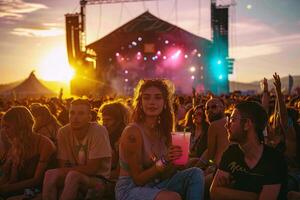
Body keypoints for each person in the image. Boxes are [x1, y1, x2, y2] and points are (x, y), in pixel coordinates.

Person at [115, 79, 204, 200]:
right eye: (146, 98)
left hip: (157, 183)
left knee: (196, 173)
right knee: (173, 197)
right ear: (140, 102)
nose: (152, 102)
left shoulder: (163, 130)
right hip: (130, 188)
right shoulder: (133, 132)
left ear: (165, 103)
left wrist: (177, 160)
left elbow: (166, 173)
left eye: (157, 98)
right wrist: (165, 160)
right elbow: (138, 180)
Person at [210, 101, 287, 200]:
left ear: (247, 124)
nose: (226, 125)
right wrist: (253, 196)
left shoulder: (274, 160)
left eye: (232, 120)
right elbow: (214, 192)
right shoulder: (231, 153)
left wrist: (228, 192)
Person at [42, 99, 112, 200]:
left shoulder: (98, 131)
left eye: (81, 113)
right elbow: (62, 164)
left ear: (89, 117)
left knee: (73, 176)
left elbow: (92, 168)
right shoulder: (63, 132)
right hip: (73, 175)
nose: (75, 117)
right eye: (72, 113)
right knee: (50, 174)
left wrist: (68, 171)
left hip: (99, 181)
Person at [0, 106, 56, 199]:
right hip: (20, 189)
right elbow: (11, 178)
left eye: (7, 127)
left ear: (20, 126)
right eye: (3, 127)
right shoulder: (16, 145)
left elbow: (37, 180)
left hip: (41, 190)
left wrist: (6, 189)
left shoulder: (44, 144)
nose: (4, 131)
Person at [98, 100, 131, 180]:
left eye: (108, 120)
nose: (104, 124)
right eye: (103, 120)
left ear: (119, 121)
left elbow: (119, 173)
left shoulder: (124, 139)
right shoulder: (103, 135)